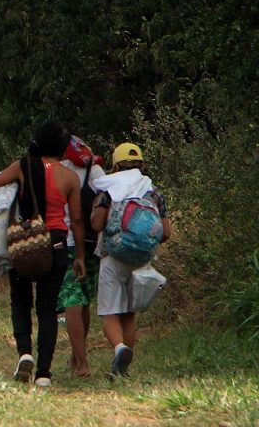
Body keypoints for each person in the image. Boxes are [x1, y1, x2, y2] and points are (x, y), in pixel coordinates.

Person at [0, 120, 86, 387]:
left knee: (20, 302)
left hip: (26, 243)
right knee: (48, 309)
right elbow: (76, 221)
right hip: (57, 244)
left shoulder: (23, 166)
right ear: (63, 149)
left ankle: (24, 352)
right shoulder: (70, 178)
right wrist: (81, 257)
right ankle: (44, 374)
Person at [90, 142, 171, 379]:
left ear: (115, 166)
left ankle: (119, 348)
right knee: (129, 313)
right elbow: (165, 233)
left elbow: (97, 225)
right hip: (141, 259)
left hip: (112, 255)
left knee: (109, 312)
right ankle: (123, 368)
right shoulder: (154, 192)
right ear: (142, 164)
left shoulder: (109, 189)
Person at [56, 136, 107, 377]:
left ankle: (82, 362)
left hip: (66, 242)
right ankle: (76, 357)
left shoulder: (59, 170)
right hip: (91, 242)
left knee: (71, 300)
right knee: (84, 300)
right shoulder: (95, 170)